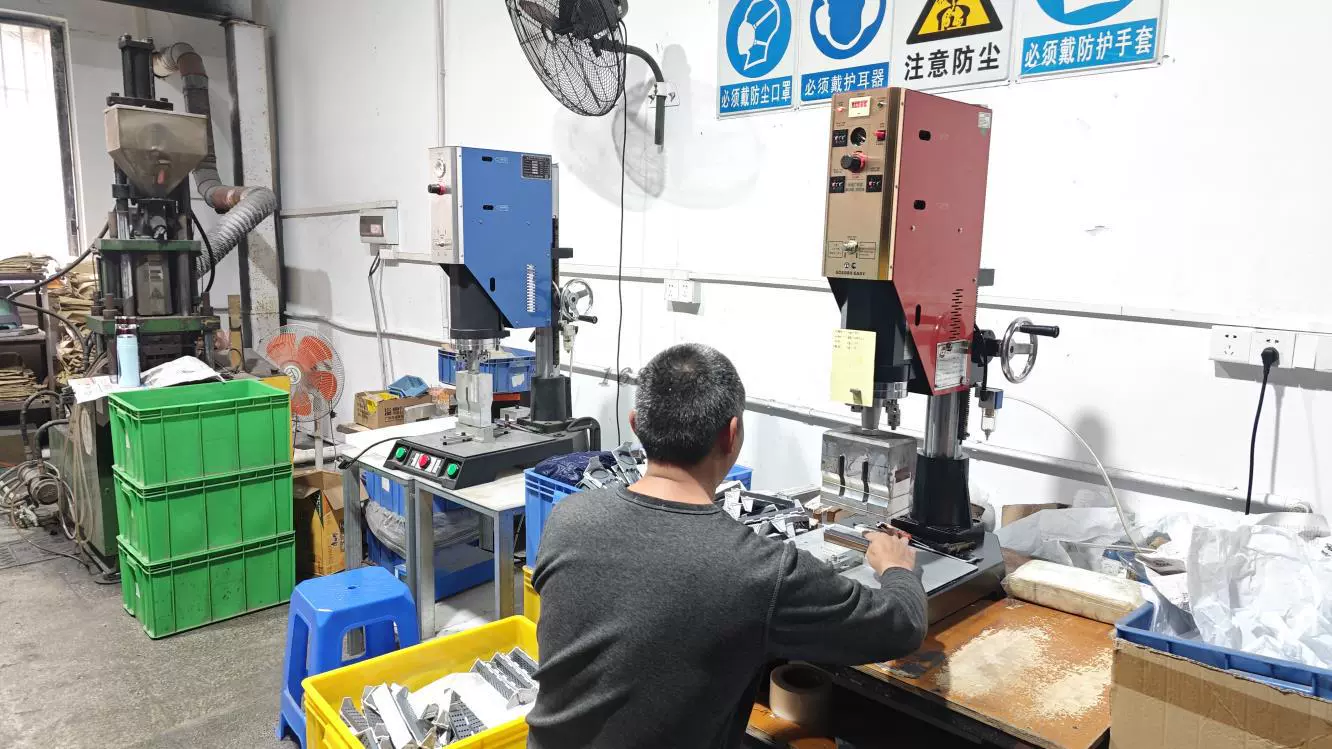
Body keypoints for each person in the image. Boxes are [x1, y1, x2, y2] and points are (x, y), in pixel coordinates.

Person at [527, 343, 927, 749]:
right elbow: (902, 626)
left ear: (635, 425)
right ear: (732, 434)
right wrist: (897, 567)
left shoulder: (567, 518)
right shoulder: (758, 571)